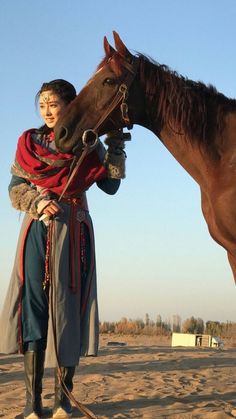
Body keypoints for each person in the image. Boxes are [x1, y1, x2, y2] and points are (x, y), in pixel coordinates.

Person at [0, 79, 128, 419]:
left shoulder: (87, 143)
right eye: (42, 104)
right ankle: (32, 403)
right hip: (38, 230)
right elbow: (15, 188)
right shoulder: (30, 142)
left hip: (75, 230)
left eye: (53, 104)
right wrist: (39, 202)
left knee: (68, 311)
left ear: (70, 105)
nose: (47, 110)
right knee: (34, 310)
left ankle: (62, 400)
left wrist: (115, 145)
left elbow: (111, 186)